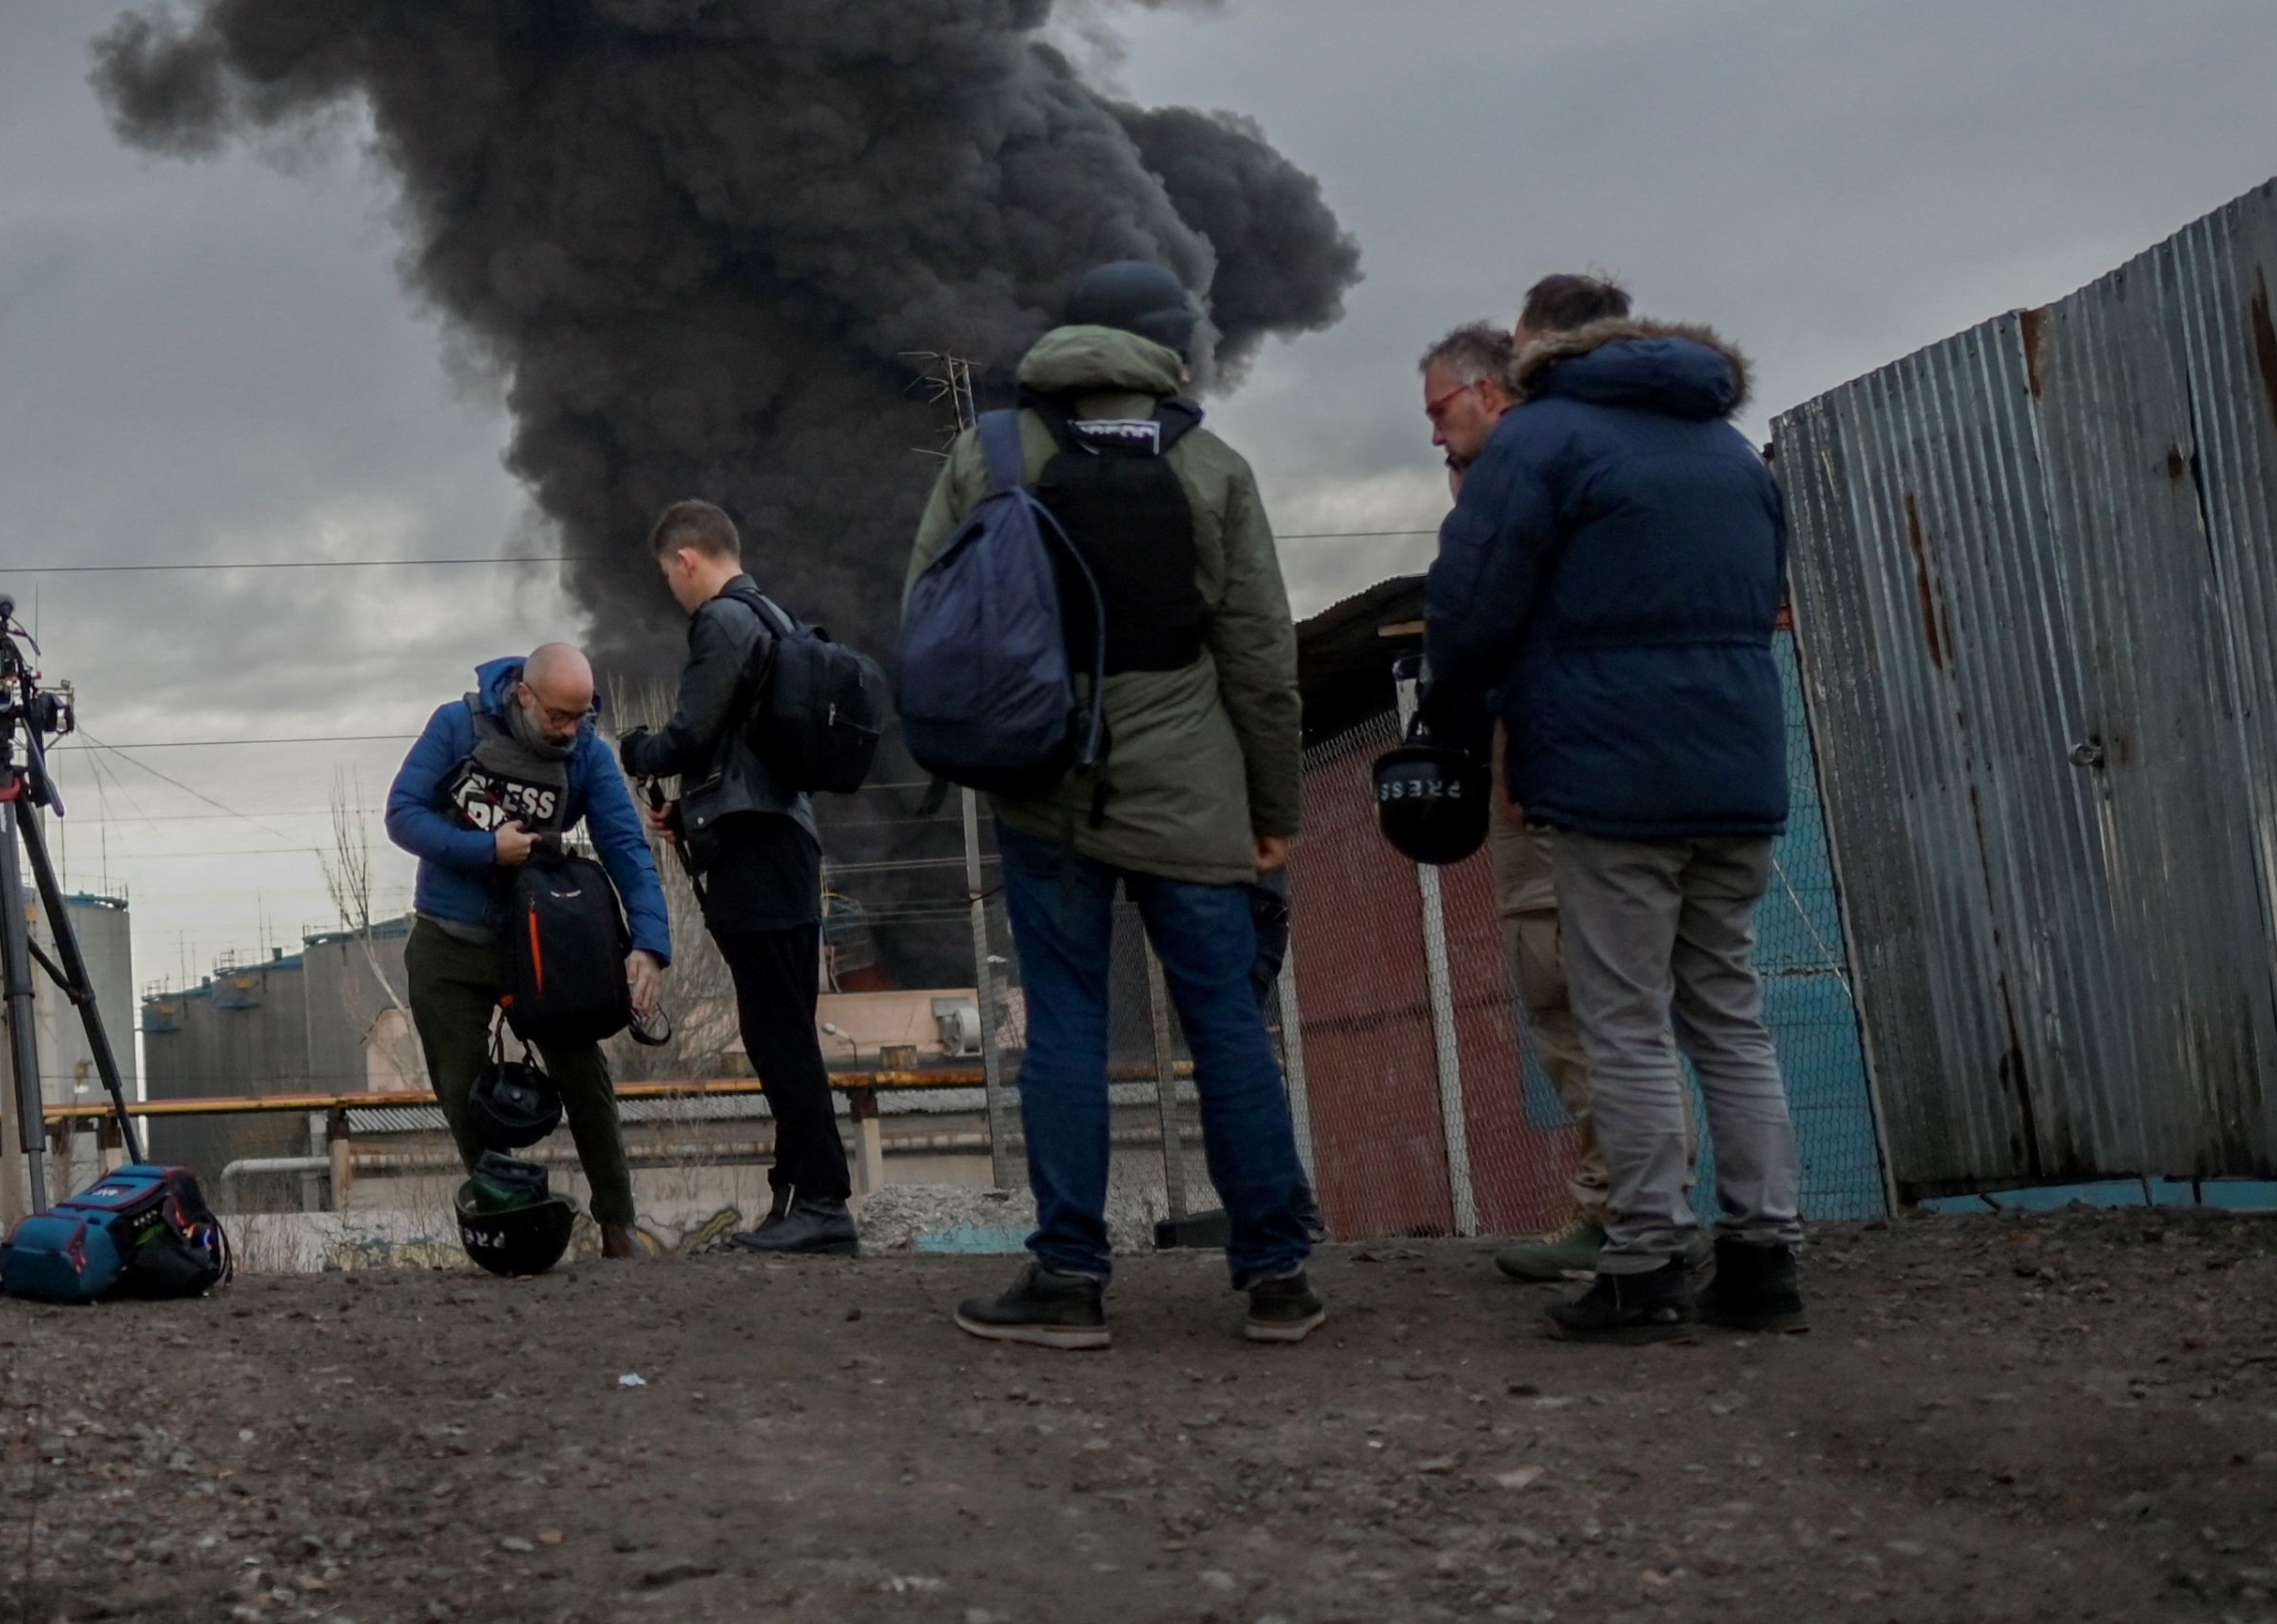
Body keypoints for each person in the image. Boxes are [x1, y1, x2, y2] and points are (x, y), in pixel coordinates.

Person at [918, 258, 1328, 1351]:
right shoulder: (1212, 466)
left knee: (1064, 1025)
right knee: (1227, 1027)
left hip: (1045, 785)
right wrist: (1273, 805)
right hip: (1192, 793)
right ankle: (1277, 1275)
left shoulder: (992, 450)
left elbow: (931, 612)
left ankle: (1068, 1277)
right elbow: (1260, 660)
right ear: (1169, 352)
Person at [1431, 283, 1808, 1343]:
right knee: (1728, 1013)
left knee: (1626, 1017)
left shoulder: (1541, 439)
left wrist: (1456, 726)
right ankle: (1764, 1260)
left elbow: (1472, 600)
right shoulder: (1729, 449)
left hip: (1610, 776)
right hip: (1737, 769)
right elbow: (1756, 595)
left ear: (1535, 353)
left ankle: (1643, 1264)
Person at [1422, 315, 1613, 1286]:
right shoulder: (1657, 457)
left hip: (1555, 773)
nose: (1435, 435)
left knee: (1572, 989)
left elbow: (1474, 623)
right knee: (1704, 1004)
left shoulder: (1528, 478)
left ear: (1492, 391)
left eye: (1441, 410)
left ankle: (1617, 1213)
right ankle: (1744, 1219)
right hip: (1664, 768)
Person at [621, 507, 859, 1253]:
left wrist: (638, 750)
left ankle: (821, 1204)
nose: (673, 590)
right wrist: (693, 811)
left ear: (687, 559)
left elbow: (690, 733)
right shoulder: (774, 615)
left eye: (668, 576)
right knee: (780, 1026)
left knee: (778, 1032)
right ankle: (797, 1202)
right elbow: (742, 750)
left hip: (757, 855)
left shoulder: (721, 621)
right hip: (781, 840)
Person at [385, 641, 673, 1254]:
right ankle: (507, 1220)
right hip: (450, 938)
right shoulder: (457, 726)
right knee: (460, 1085)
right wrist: (487, 851)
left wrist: (649, 944)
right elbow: (403, 814)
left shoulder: (588, 756)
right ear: (523, 694)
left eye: (580, 716)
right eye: (557, 717)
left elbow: (628, 851)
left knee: (582, 1072)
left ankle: (618, 1224)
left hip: (544, 942)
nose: (569, 731)